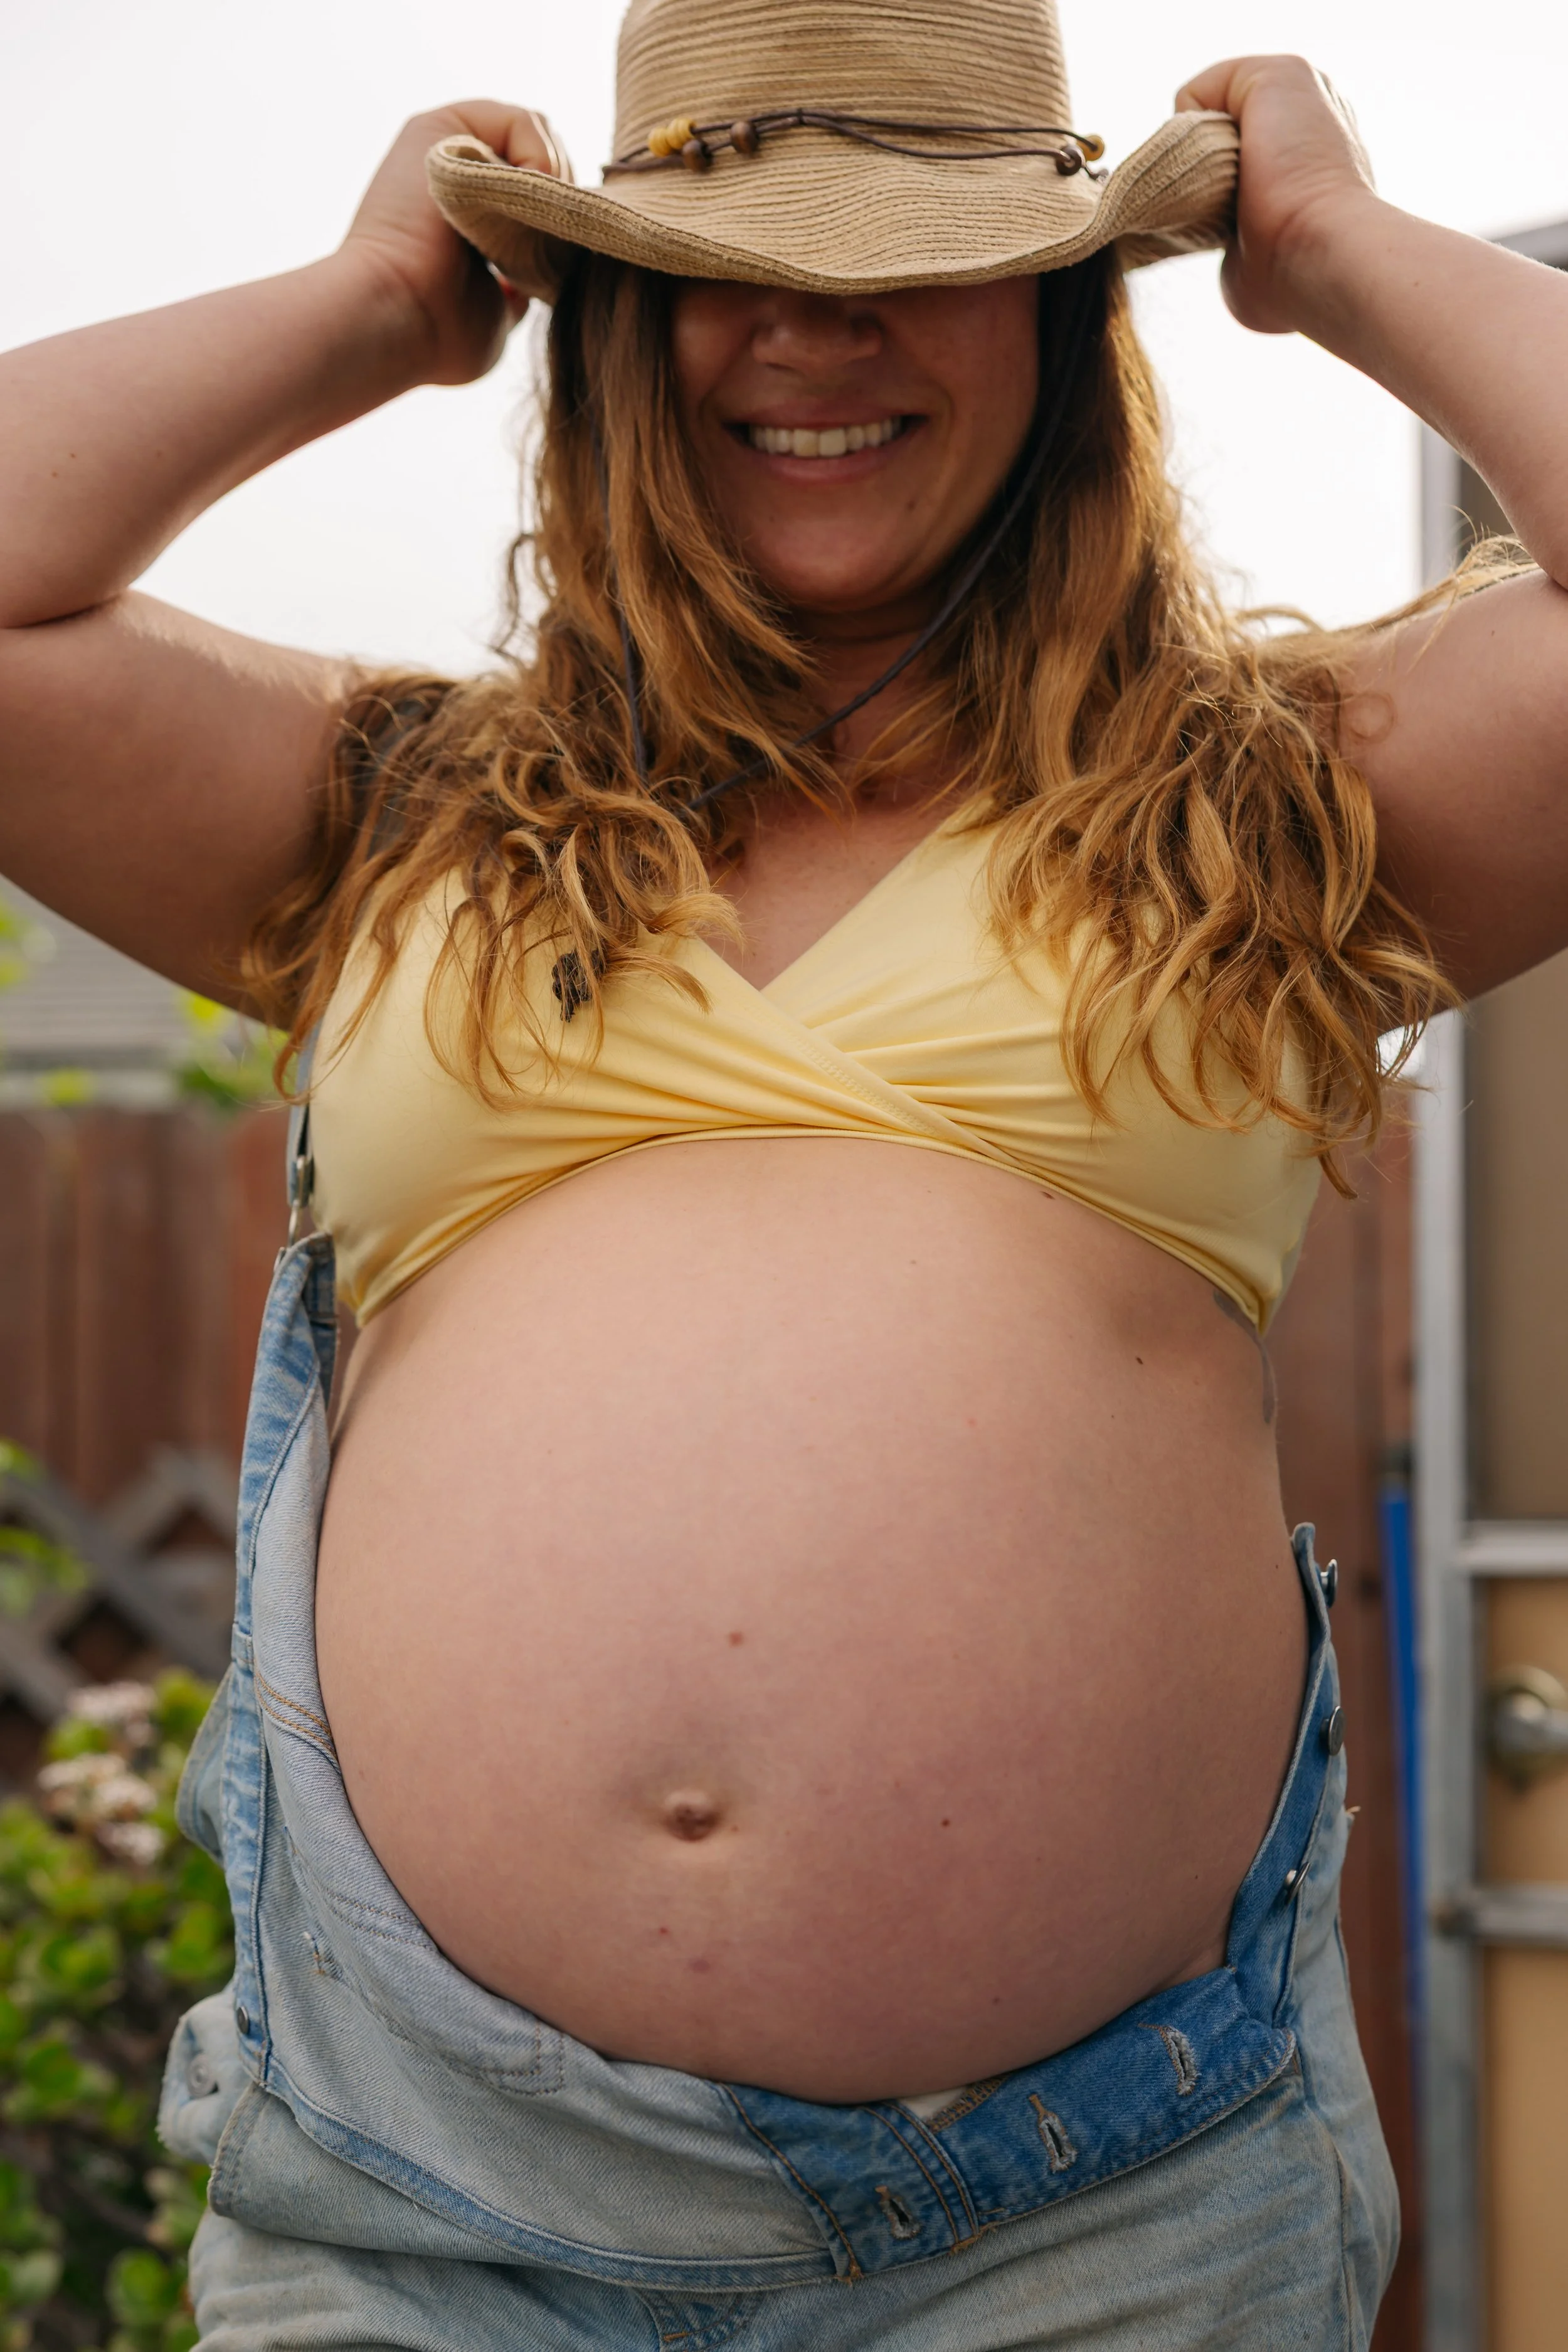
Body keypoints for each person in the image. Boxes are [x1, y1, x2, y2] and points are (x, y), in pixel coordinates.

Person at [4, 0, 1567, 2341]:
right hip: (426, 2216)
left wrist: (1337, 244)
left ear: (1058, 311)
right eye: (721, 256)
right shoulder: (395, 808)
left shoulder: (1272, 807)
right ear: (610, 322)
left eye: (916, 254)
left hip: (1091, 2226)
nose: (813, 328)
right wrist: (358, 312)